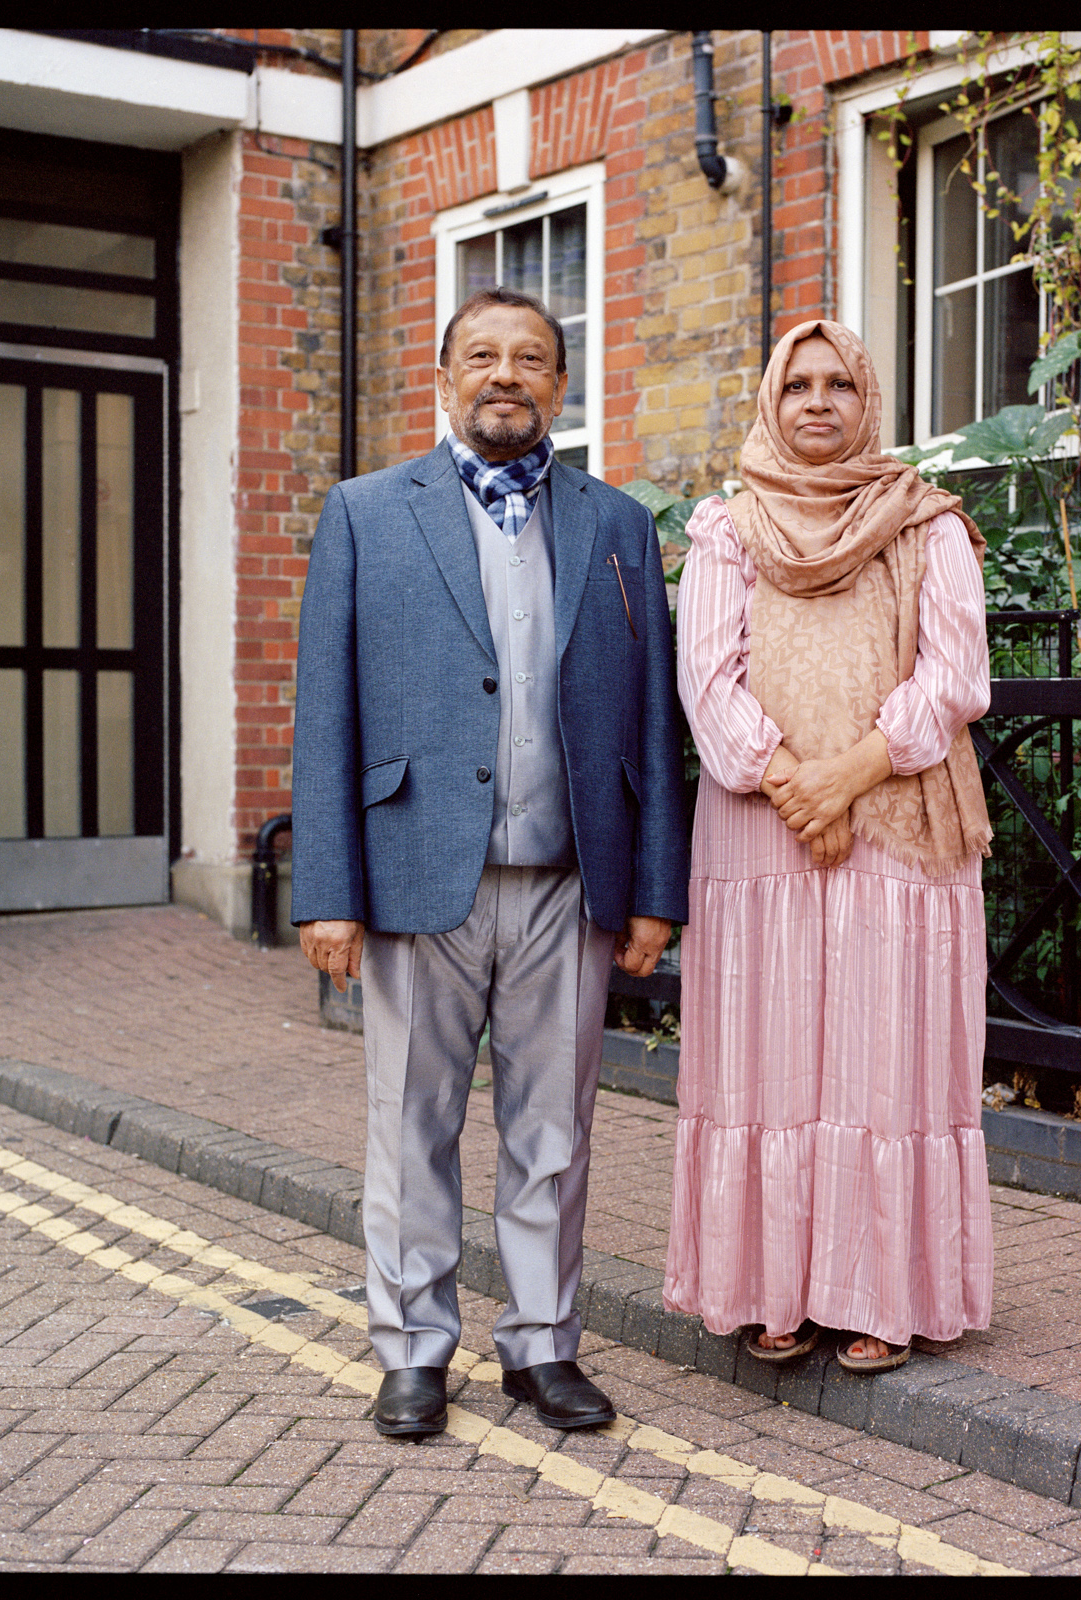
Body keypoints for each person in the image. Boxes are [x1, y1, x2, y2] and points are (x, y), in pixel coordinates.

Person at [291, 286, 688, 1437]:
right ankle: (413, 1348)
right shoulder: (366, 513)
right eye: (482, 357)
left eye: (530, 360)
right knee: (409, 1125)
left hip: (570, 881)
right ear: (445, 378)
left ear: (560, 387)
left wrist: (653, 892)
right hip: (417, 875)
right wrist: (329, 891)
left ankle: (542, 1346)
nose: (504, 375)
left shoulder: (617, 525)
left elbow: (653, 724)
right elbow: (326, 714)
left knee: (551, 1130)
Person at [663, 318, 994, 1373]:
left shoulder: (927, 523)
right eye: (797, 384)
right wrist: (789, 782)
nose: (817, 401)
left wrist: (851, 773)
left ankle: (881, 1294)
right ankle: (775, 1287)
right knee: (770, 1058)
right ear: (771, 399)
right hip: (759, 834)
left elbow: (955, 676)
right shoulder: (726, 527)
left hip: (894, 824)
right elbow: (705, 683)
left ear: (869, 402)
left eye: (839, 383)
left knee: (881, 1060)